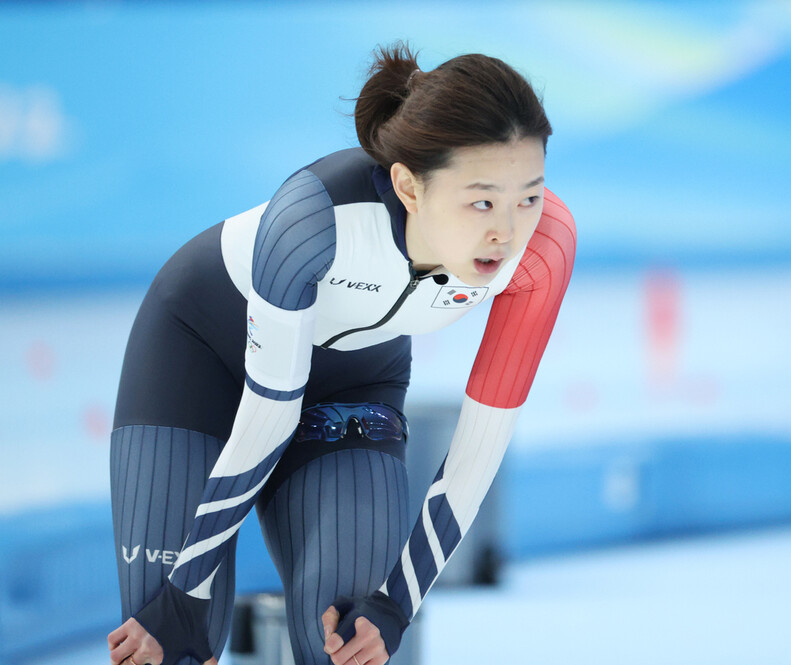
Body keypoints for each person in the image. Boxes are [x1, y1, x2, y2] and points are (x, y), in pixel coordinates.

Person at [107, 41, 575, 665]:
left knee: (347, 641)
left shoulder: (542, 251)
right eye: (482, 200)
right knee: (166, 648)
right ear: (410, 186)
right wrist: (187, 591)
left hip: (351, 388)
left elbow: (480, 448)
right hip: (198, 363)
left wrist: (397, 605)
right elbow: (270, 412)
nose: (508, 231)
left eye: (529, 197)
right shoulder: (314, 220)